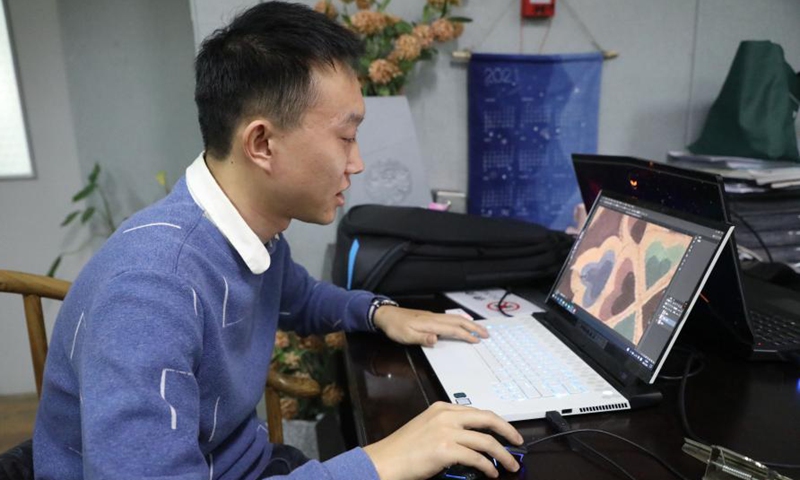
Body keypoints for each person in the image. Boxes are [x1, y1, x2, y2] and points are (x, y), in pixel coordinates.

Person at [33, 2, 524, 479]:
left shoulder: (252, 230)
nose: (357, 163)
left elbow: (301, 298)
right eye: (346, 137)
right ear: (262, 144)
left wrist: (380, 312)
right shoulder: (149, 292)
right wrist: (379, 462)